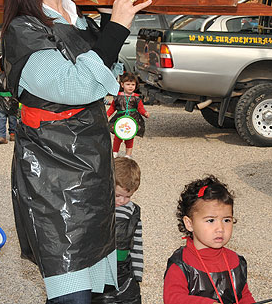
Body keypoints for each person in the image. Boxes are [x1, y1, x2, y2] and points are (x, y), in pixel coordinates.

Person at [1, 0, 151, 304]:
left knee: (99, 289)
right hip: (53, 174)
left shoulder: (75, 15)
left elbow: (109, 73)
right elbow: (78, 86)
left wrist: (106, 32)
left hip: (91, 165)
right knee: (73, 295)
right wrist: (116, 28)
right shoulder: (24, 30)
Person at [163, 176, 255, 304]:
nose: (220, 228)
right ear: (189, 224)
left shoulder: (236, 262)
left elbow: (245, 296)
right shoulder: (182, 264)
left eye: (226, 220)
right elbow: (173, 299)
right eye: (211, 220)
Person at [93, 157, 143, 304]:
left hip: (121, 266)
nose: (122, 201)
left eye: (128, 197)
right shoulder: (99, 205)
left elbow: (137, 242)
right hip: (98, 266)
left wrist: (137, 273)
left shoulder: (132, 211)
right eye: (117, 195)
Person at [107, 72, 150, 158]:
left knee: (130, 137)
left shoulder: (136, 97)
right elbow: (112, 108)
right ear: (122, 85)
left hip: (132, 119)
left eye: (133, 84)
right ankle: (115, 152)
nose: (130, 86)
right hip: (120, 119)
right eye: (128, 84)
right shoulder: (118, 97)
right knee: (118, 136)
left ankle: (128, 154)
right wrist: (107, 115)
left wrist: (144, 113)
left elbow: (140, 108)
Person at [0, 56, 17, 144]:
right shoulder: (13, 77)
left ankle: (1, 136)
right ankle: (13, 134)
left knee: (1, 119)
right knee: (13, 118)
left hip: (0, 101)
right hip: (12, 101)